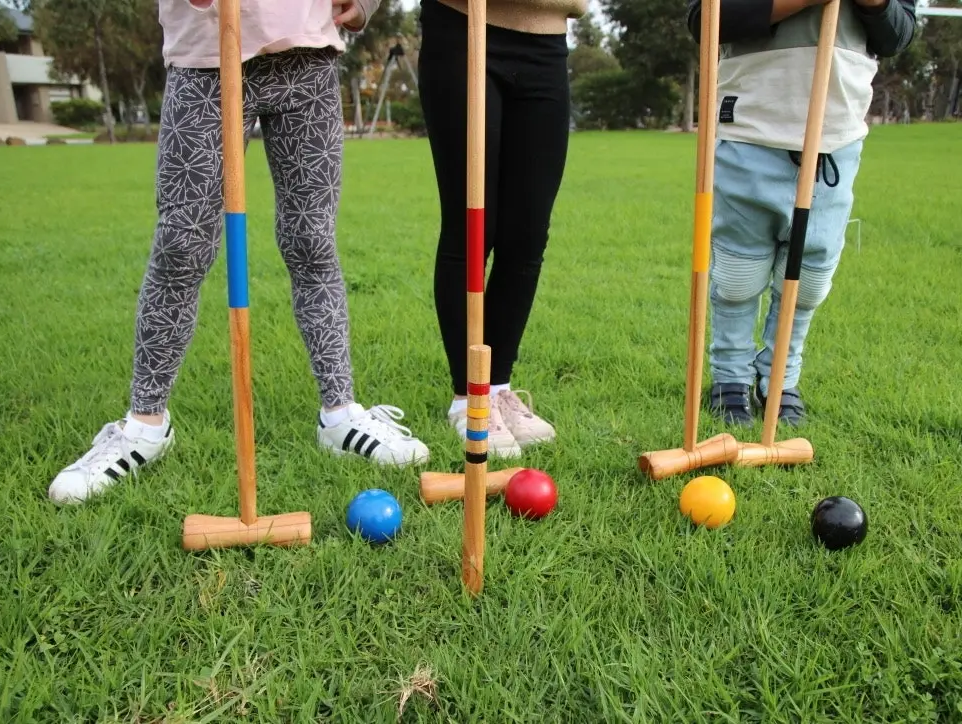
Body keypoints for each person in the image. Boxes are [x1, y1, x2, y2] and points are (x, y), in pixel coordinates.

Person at [48, 0, 431, 505]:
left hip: (308, 59)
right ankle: (145, 425)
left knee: (312, 242)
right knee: (181, 245)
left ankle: (339, 414)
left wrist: (362, 4)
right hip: (205, 59)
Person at [687, 0, 916, 426]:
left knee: (809, 280)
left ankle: (778, 378)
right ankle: (730, 379)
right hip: (749, 129)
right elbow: (707, 20)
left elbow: (898, 34)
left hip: (835, 139)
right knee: (737, 276)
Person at [417, 0, 587, 458]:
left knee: (528, 234)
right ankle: (466, 395)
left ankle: (498, 386)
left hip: (547, 44)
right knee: (472, 227)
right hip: (463, 28)